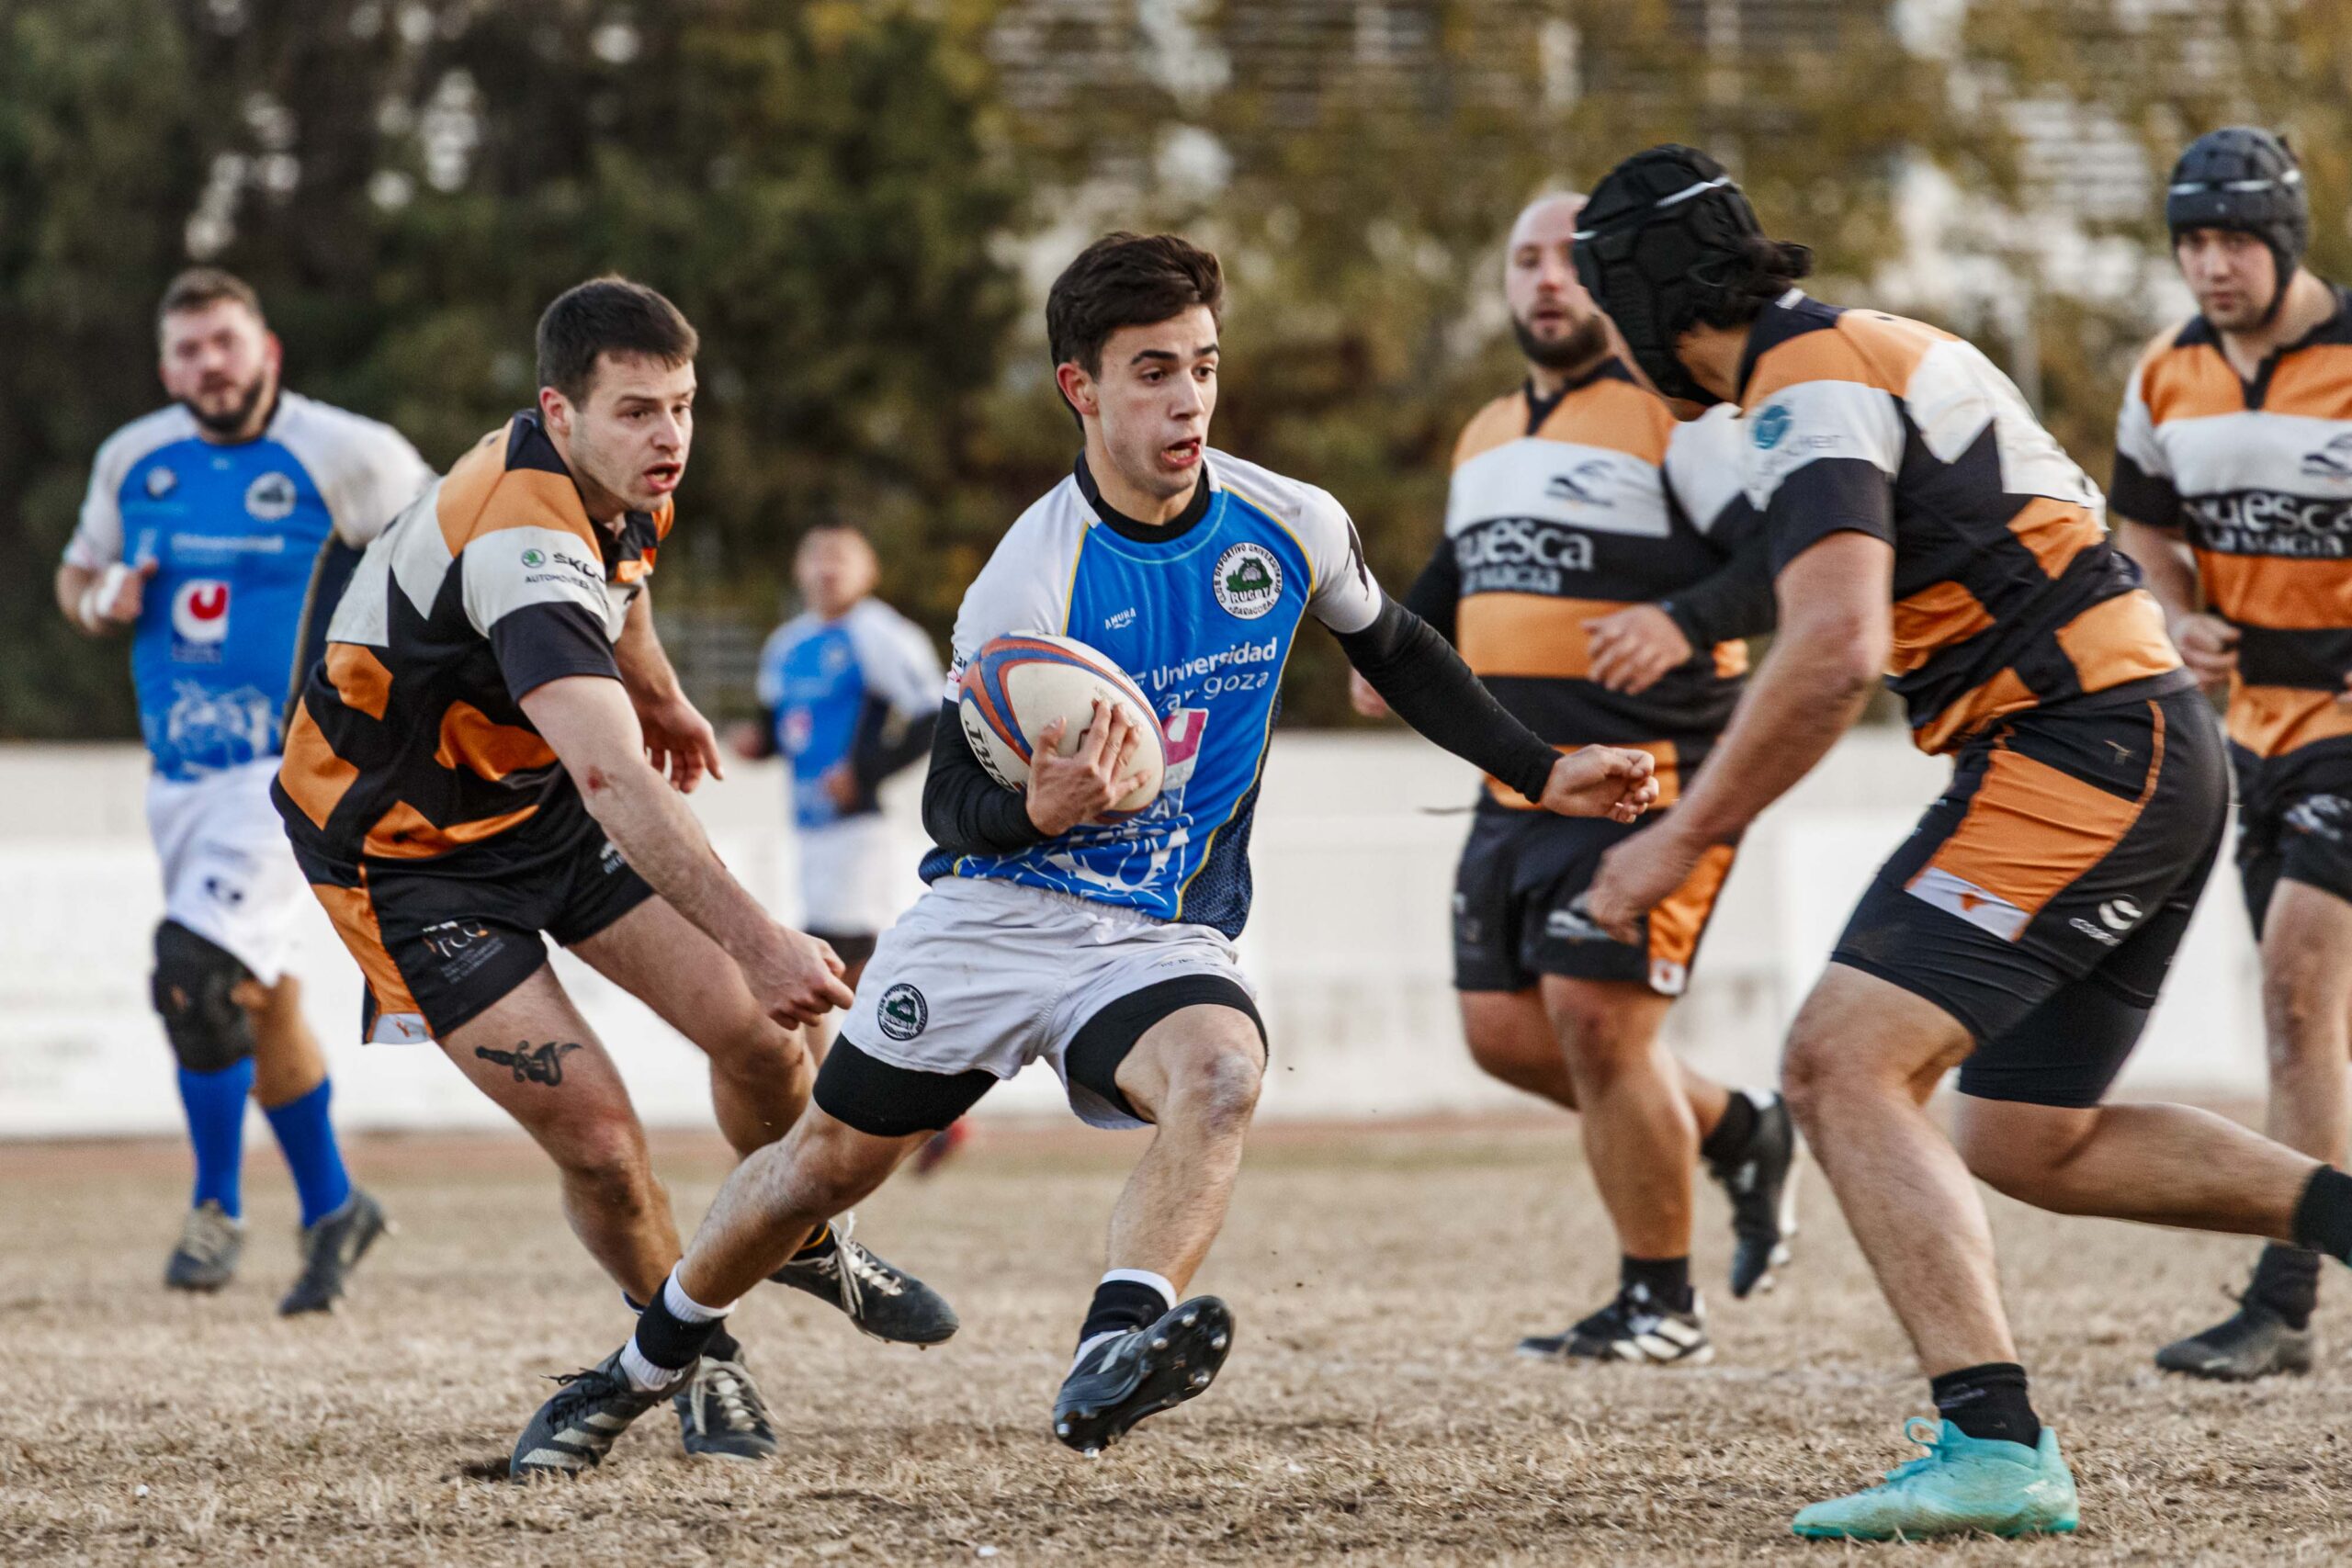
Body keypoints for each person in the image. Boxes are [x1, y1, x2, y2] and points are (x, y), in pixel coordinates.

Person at [507, 232, 1662, 1476]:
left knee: (1221, 1072)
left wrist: (1543, 767)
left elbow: (1397, 649)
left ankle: (1113, 1349)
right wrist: (1041, 807)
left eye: (1203, 368)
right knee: (819, 1171)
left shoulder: (1289, 520)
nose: (1186, 401)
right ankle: (640, 1363)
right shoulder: (1030, 577)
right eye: (1152, 371)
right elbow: (955, 801)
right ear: (1083, 388)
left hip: (1157, 932)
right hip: (996, 915)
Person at [1577, 143, 2352, 1541]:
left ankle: (1993, 1440)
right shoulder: (1873, 341)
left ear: (1640, 302)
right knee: (2025, 1131)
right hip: (2137, 738)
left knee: (1834, 1060)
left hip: (2081, 743)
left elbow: (1832, 650)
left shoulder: (1801, 385)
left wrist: (1675, 838)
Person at [275, 276, 951, 1464]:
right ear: (560, 408)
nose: (671, 436)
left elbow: (624, 588)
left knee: (759, 1040)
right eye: (640, 410)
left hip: (532, 804)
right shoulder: (521, 532)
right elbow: (616, 784)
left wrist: (662, 691)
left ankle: (791, 1233)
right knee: (597, 1135)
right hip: (407, 859)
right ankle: (702, 1362)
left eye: (683, 405)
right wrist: (757, 932)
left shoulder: (625, 482)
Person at [1351, 193, 1796, 1365]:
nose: (1546, 279)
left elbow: (1784, 558)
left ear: (1610, 277)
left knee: (1599, 1021)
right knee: (1502, 1034)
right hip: (1519, 778)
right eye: (1524, 258)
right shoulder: (1489, 428)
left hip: (1648, 773)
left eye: (1568, 259)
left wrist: (1678, 616)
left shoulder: (1677, 412)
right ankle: (1741, 1129)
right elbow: (1460, 563)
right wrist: (1392, 652)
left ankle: (1660, 1303)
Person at [56, 268, 428, 1313]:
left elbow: (453, 555)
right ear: (164, 364)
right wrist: (100, 601)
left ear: (266, 349)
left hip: (291, 770)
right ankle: (335, 1206)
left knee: (193, 977)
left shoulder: (346, 452)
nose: (205, 366)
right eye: (184, 350)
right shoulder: (134, 458)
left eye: (223, 343)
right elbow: (77, 577)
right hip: (178, 776)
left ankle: (216, 1206)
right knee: (256, 1002)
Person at [2111, 129, 2352, 1382]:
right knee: (2304, 1012)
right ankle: (2294, 1302)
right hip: (2249, 735)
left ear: (2286, 238)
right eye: (2193, 243)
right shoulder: (2164, 373)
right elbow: (2144, 529)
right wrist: (2173, 610)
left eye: (2236, 240)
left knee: (2298, 982)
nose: (2213, 265)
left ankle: (2285, 1287)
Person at [733, 525, 967, 1171]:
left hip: (857, 832)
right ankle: (924, 1113)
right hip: (809, 831)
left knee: (825, 974)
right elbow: (786, 726)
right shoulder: (788, 644)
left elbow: (931, 715)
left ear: (869, 569)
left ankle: (830, 1118)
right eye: (815, 555)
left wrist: (863, 773)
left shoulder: (877, 633)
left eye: (841, 557)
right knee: (846, 976)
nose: (826, 569)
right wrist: (759, 742)